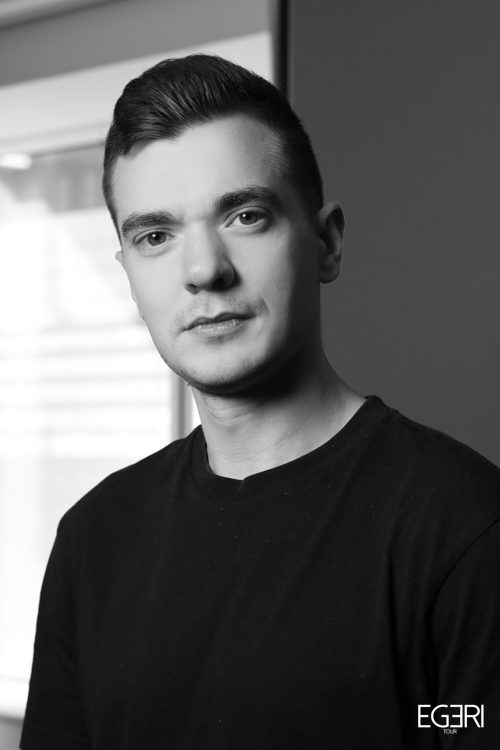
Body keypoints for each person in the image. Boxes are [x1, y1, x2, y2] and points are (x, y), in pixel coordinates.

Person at [21, 54, 500, 750]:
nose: (203, 270)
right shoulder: (93, 540)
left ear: (326, 242)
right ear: (127, 272)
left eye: (246, 216)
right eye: (155, 236)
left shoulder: (465, 527)